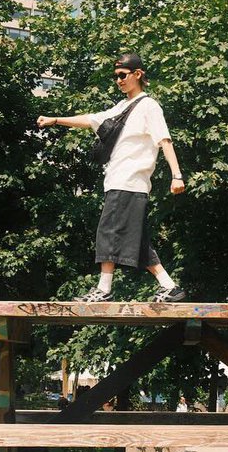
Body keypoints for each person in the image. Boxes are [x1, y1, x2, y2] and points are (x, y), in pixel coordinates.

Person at [37, 52, 187, 302]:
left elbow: (165, 140)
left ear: (137, 74)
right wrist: (55, 120)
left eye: (122, 75)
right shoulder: (121, 107)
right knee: (136, 240)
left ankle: (104, 290)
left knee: (107, 231)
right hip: (118, 182)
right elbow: (90, 120)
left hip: (129, 182)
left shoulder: (149, 106)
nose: (118, 80)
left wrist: (177, 175)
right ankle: (170, 287)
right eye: (115, 76)